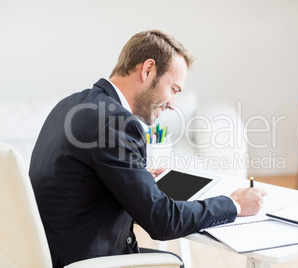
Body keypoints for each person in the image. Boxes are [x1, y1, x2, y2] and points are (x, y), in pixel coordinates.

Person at [29, 30, 267, 268]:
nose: (173, 104)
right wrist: (234, 204)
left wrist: (136, 178)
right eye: (173, 89)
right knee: (173, 263)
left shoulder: (70, 104)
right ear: (148, 70)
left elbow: (81, 182)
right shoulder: (117, 123)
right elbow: (162, 221)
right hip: (84, 261)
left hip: (47, 254)